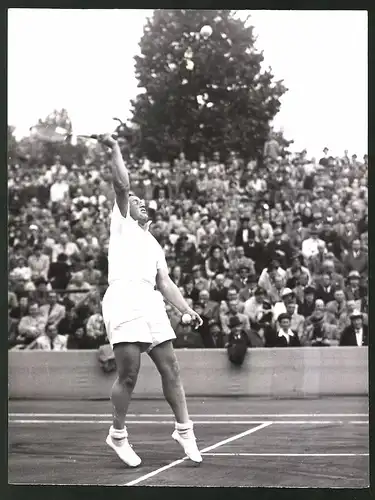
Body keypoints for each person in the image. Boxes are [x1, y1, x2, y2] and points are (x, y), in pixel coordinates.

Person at [99, 134, 203, 467]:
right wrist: (115, 148)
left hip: (150, 299)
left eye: (142, 202)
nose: (140, 203)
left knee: (170, 367)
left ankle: (184, 430)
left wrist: (186, 309)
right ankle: (117, 435)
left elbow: (165, 282)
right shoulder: (122, 222)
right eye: (135, 200)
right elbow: (121, 184)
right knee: (129, 373)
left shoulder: (155, 243)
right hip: (123, 296)